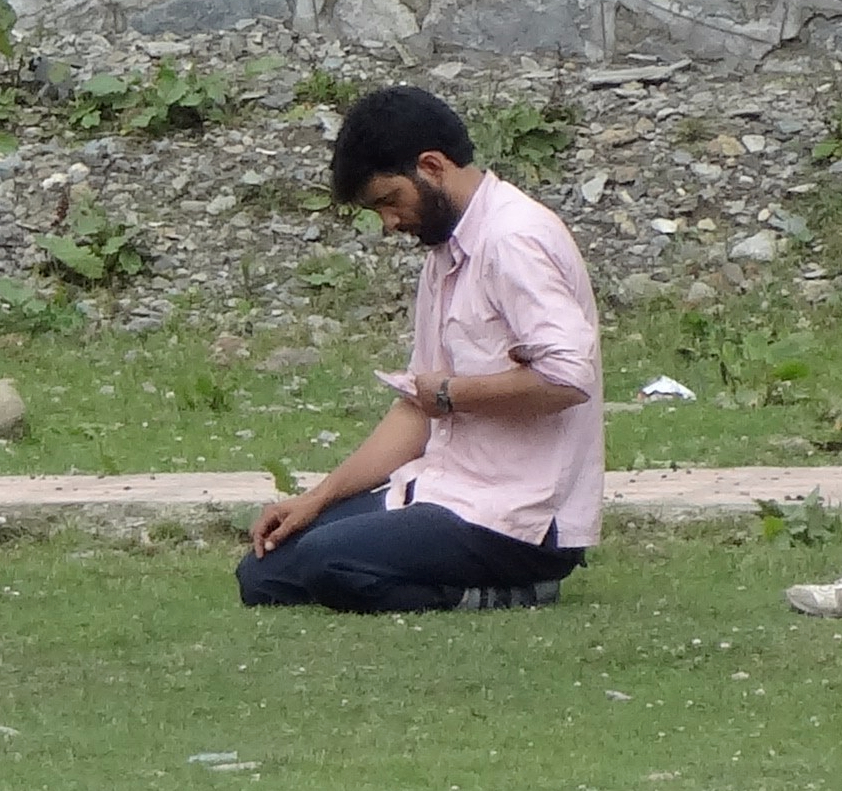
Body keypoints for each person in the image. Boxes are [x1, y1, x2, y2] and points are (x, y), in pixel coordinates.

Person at [243, 85, 606, 612]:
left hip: (518, 517)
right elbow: (419, 406)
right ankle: (394, 557)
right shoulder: (446, 252)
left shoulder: (512, 240)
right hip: (445, 490)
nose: (390, 223)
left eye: (390, 201)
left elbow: (570, 377)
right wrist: (316, 498)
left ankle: (518, 590)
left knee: (328, 560)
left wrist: (454, 393)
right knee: (263, 573)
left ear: (432, 166)